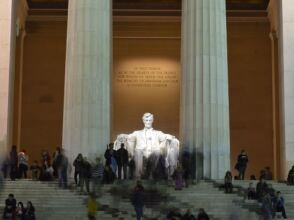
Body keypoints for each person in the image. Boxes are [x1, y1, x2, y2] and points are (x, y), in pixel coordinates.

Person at [115, 113, 179, 178]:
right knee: (138, 152)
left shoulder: (157, 133)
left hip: (154, 154)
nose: (148, 122)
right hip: (140, 155)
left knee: (157, 152)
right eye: (146, 120)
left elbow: (164, 136)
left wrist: (171, 137)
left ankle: (151, 174)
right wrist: (122, 136)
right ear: (143, 121)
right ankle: (138, 175)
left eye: (150, 120)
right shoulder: (137, 133)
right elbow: (129, 137)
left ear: (152, 120)